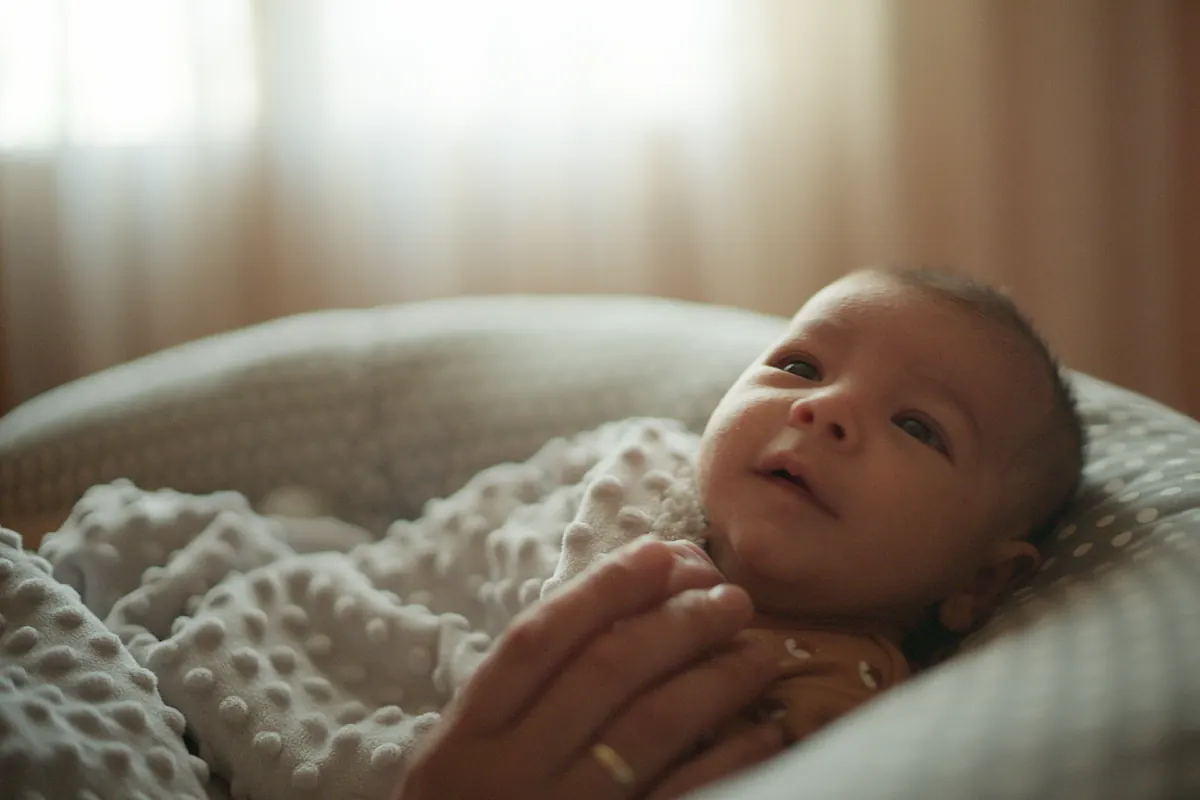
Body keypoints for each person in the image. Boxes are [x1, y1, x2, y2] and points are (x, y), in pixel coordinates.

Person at [399, 266, 1085, 798]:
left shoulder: (832, 694)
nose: (823, 407)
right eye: (799, 368)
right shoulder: (644, 478)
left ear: (981, 580)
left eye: (917, 427)